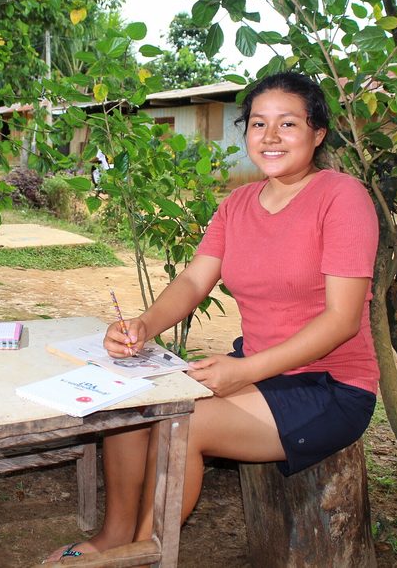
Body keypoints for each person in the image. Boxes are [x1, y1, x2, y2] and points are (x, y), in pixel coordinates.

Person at [44, 71, 380, 563]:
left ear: (318, 133)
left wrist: (243, 370)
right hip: (259, 370)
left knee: (184, 424)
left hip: (329, 385)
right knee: (131, 400)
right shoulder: (239, 202)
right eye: (258, 124)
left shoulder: (341, 197)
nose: (269, 137)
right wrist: (143, 325)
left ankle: (138, 556)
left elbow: (341, 320)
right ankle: (113, 537)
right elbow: (192, 282)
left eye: (288, 124)